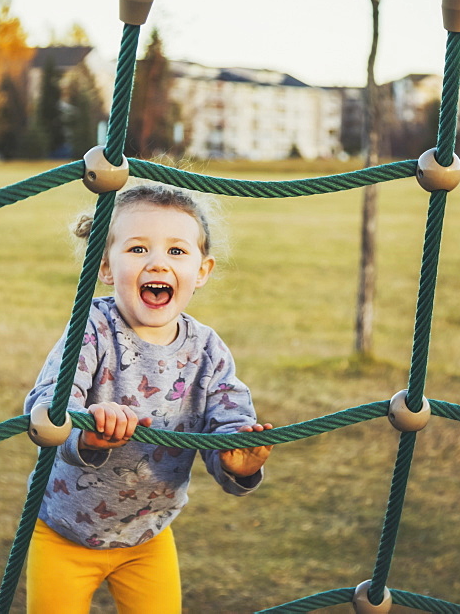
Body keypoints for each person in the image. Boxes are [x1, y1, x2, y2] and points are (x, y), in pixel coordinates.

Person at [23, 183, 273, 613]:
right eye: (138, 249)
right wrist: (86, 433)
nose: (158, 262)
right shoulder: (91, 329)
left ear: (202, 270)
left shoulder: (208, 350)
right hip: (62, 532)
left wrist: (237, 460)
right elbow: (45, 405)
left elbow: (230, 422)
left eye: (177, 251)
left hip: (148, 536)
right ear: (104, 265)